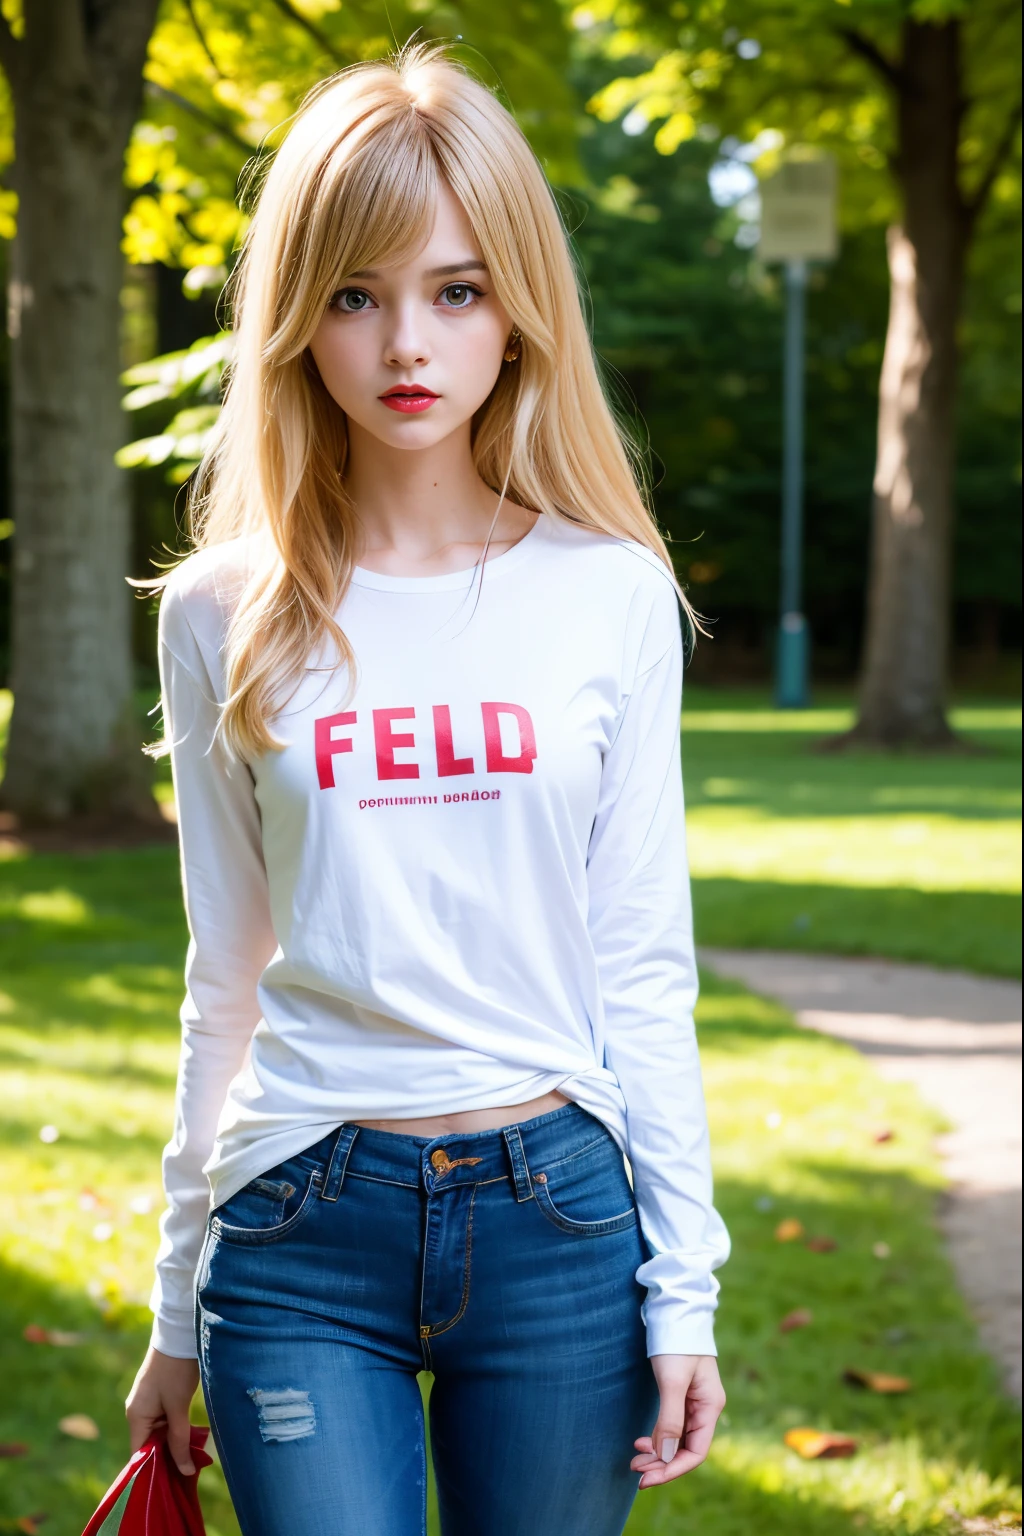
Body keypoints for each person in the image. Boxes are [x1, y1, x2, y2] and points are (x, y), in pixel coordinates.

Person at [125, 41, 730, 1536]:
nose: (408, 341)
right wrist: (175, 1303)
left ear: (517, 310)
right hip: (299, 1225)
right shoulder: (219, 611)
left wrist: (685, 1291)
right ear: (296, 317)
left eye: (456, 290)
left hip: (561, 1224)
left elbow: (643, 963)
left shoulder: (610, 593)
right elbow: (229, 976)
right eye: (356, 292)